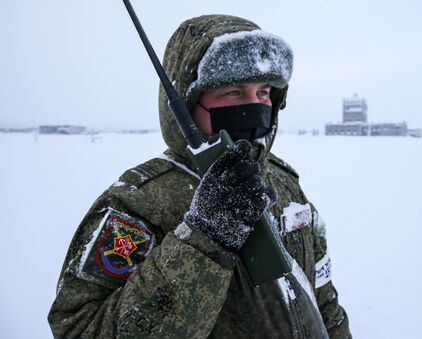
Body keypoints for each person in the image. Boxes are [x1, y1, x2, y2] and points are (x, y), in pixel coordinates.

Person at [48, 14, 351, 338]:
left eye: (264, 92)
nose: (255, 106)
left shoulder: (283, 184)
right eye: (233, 92)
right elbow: (79, 329)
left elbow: (324, 301)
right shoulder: (138, 205)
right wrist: (204, 238)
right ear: (187, 102)